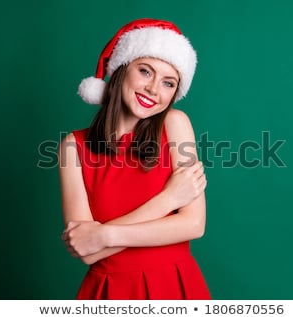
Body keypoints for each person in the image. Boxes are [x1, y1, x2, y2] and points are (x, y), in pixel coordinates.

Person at [58, 18, 211, 299]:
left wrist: (104, 236)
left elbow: (193, 225)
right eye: (145, 71)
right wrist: (168, 201)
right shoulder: (73, 147)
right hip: (110, 291)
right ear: (120, 71)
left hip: (173, 286)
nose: (154, 89)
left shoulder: (175, 124)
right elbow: (86, 250)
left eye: (168, 83)